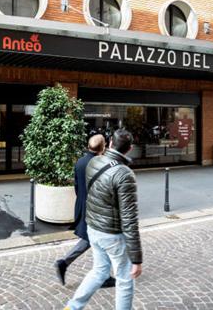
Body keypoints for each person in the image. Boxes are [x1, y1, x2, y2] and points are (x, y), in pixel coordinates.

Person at [65, 129, 143, 310]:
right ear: (130, 149)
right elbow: (129, 218)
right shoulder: (124, 174)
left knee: (99, 271)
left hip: (93, 228)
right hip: (111, 234)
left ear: (110, 143)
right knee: (125, 279)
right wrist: (136, 258)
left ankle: (72, 307)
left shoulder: (94, 162)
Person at [54, 135, 115, 288]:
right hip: (97, 209)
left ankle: (65, 263)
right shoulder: (102, 164)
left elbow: (76, 186)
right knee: (102, 239)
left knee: (93, 239)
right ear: (103, 147)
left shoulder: (80, 162)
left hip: (83, 205)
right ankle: (102, 276)